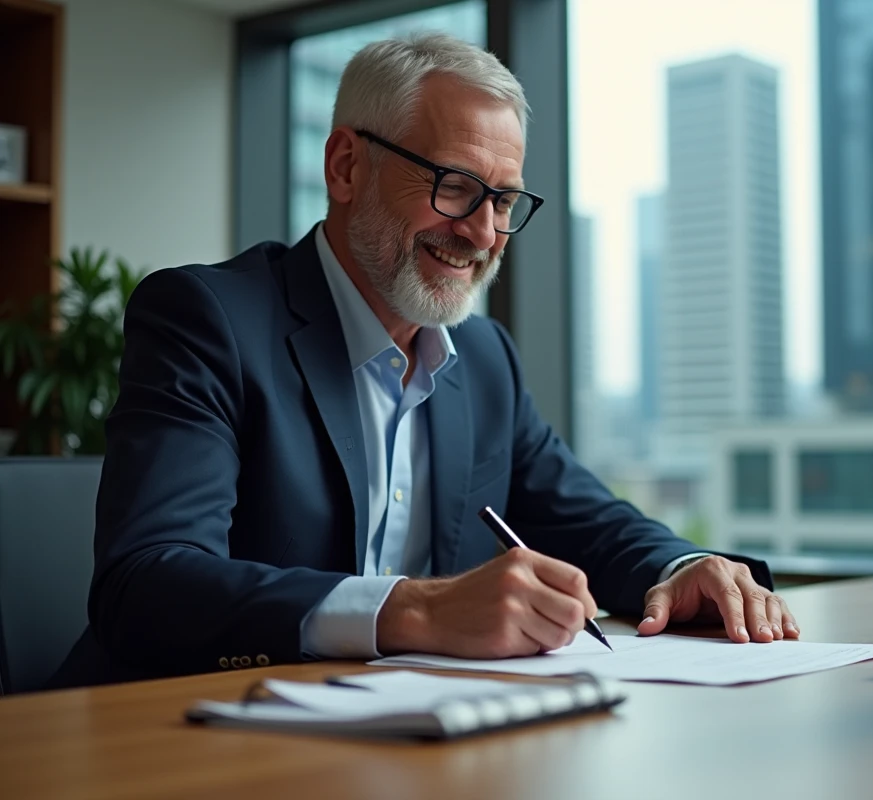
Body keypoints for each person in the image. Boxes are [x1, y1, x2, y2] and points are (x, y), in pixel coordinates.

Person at [52, 33, 797, 687]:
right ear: (346, 167)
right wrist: (416, 610)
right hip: (175, 734)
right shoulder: (207, 318)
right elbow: (145, 585)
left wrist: (682, 568)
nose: (483, 234)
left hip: (404, 737)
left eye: (502, 201)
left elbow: (590, 522)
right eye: (455, 187)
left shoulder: (485, 358)